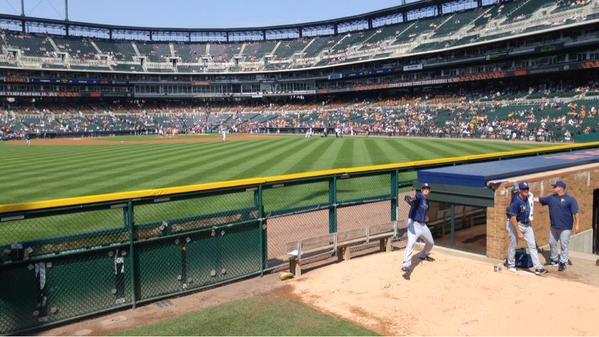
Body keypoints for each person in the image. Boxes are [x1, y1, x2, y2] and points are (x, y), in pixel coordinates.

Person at [535, 181, 580, 272]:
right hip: (554, 226)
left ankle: (563, 262)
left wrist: (577, 225)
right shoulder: (551, 198)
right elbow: (539, 199)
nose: (553, 188)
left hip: (565, 227)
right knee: (552, 243)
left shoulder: (570, 199)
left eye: (555, 187)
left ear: (560, 188)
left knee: (564, 245)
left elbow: (576, 213)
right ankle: (554, 260)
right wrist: (528, 196)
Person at [507, 182, 548, 275]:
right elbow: (513, 218)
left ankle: (538, 268)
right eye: (524, 189)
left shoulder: (529, 198)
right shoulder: (516, 202)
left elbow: (533, 199)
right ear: (520, 191)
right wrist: (519, 232)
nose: (526, 191)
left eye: (527, 189)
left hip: (527, 224)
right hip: (516, 224)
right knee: (514, 244)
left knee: (532, 245)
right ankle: (510, 264)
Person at [402, 183, 435, 273]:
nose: (426, 189)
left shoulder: (427, 202)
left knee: (431, 243)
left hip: (422, 225)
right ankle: (406, 264)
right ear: (422, 190)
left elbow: (422, 212)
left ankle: (423, 255)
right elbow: (416, 197)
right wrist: (412, 199)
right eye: (424, 188)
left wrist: (425, 217)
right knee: (411, 243)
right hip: (413, 224)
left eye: (427, 188)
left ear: (429, 191)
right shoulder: (420, 196)